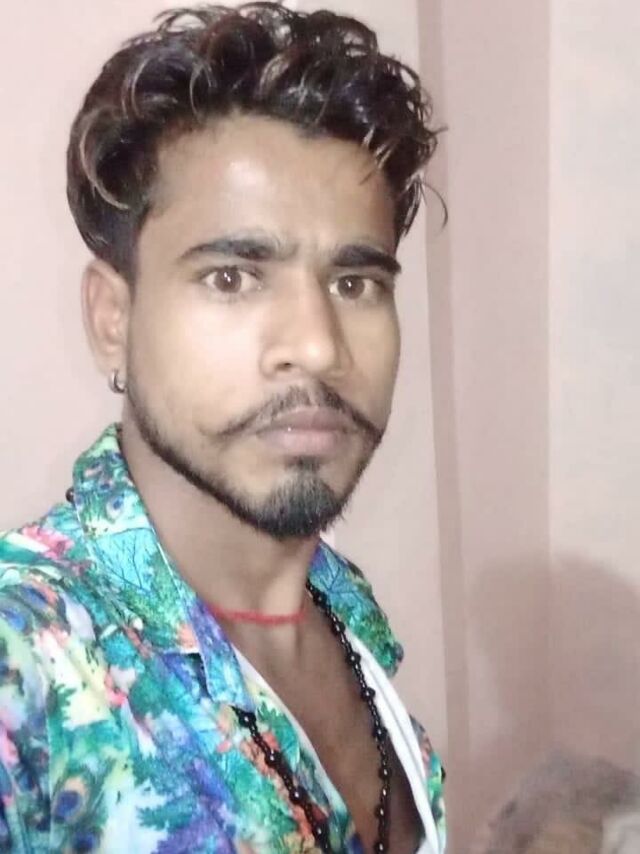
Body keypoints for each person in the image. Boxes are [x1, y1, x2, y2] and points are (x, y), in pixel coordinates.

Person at [0, 3, 445, 852]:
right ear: (112, 318)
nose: (318, 347)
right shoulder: (28, 664)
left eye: (355, 284)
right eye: (234, 277)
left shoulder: (346, 614)